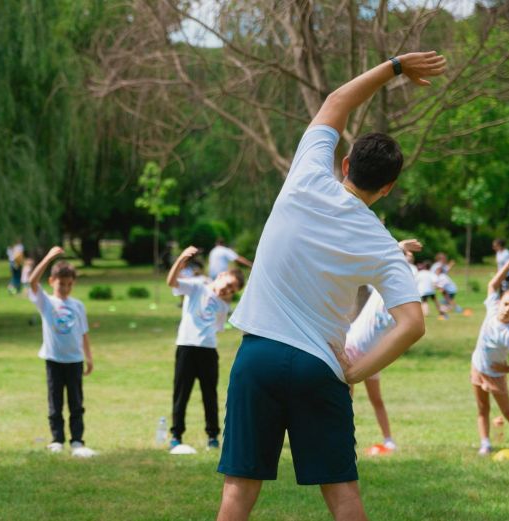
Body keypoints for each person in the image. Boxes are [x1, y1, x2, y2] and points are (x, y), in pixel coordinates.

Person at [216, 52, 445, 521]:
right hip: (320, 366)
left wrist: (396, 66)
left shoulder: (305, 177)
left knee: (239, 492)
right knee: (343, 494)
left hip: (257, 356)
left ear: (344, 164)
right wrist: (356, 372)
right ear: (388, 188)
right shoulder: (382, 244)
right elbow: (412, 324)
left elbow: (338, 99)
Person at [344, 240, 422, 452]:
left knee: (376, 399)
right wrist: (399, 246)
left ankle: (388, 439)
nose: (406, 260)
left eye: (409, 259)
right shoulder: (380, 284)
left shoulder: (405, 302)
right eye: (404, 257)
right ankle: (345, 439)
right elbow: (378, 257)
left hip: (375, 354)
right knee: (345, 399)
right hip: (353, 346)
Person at [166, 246, 244, 451]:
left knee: (209, 394)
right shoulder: (198, 286)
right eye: (229, 285)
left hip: (208, 350)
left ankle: (213, 436)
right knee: (181, 392)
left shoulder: (224, 306)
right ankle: (176, 434)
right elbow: (171, 282)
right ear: (222, 275)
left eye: (232, 290)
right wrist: (182, 258)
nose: (228, 290)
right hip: (186, 346)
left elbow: (217, 328)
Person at [29, 246, 96, 457]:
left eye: (69, 284)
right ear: (52, 282)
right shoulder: (46, 302)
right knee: (55, 402)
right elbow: (32, 281)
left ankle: (77, 440)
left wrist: (89, 357)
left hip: (75, 360)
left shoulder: (78, 305)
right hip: (54, 359)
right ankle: (57, 439)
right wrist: (48, 257)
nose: (65, 288)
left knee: (76, 403)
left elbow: (83, 332)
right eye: (61, 284)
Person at [471, 253, 509, 456]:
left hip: (495, 375)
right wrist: (507, 266)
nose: (507, 309)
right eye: (506, 304)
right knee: (482, 408)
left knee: (507, 412)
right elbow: (492, 285)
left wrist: (507, 369)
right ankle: (485, 444)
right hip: (478, 367)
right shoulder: (492, 309)